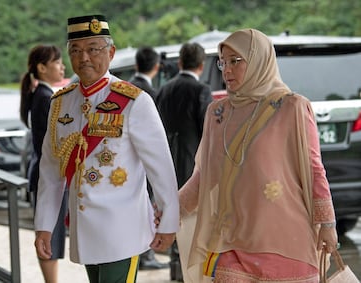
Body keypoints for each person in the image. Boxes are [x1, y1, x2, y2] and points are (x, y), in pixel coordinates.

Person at [177, 28, 338, 282]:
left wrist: (328, 224)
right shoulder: (217, 114)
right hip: (232, 241)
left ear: (258, 61)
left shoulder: (292, 107)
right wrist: (165, 213)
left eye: (235, 61)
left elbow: (314, 168)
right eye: (223, 62)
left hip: (287, 241)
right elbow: (206, 177)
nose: (226, 70)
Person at [34, 14, 179, 283]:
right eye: (76, 51)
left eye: (93, 49)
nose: (84, 57)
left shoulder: (135, 101)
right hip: (84, 231)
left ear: (111, 52)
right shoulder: (61, 103)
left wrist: (169, 222)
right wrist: (44, 225)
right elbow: (51, 171)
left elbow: (160, 168)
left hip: (123, 229)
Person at [156, 42, 213, 281]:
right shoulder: (202, 90)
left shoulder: (164, 89)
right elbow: (208, 133)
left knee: (172, 214)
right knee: (193, 222)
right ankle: (188, 272)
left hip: (166, 162)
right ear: (201, 65)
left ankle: (174, 268)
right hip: (193, 166)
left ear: (180, 63)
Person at [19, 44, 67, 283]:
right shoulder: (46, 98)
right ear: (42, 67)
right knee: (50, 235)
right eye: (57, 62)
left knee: (51, 233)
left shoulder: (41, 95)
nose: (62, 66)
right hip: (47, 175)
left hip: (41, 173)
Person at [128, 46, 168, 270]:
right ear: (156, 67)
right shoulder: (147, 94)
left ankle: (140, 253)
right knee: (146, 206)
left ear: (136, 65)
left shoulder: (126, 87)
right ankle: (145, 254)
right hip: (143, 159)